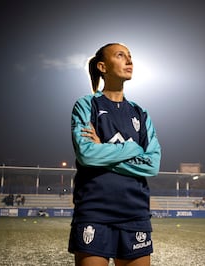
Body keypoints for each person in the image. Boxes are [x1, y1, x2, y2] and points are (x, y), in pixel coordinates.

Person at [68, 43, 162, 266]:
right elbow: (87, 155)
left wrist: (104, 151)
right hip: (94, 211)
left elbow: (152, 164)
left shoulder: (140, 112)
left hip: (135, 213)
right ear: (102, 66)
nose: (129, 61)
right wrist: (131, 148)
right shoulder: (85, 105)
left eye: (130, 56)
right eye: (121, 56)